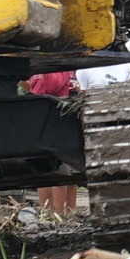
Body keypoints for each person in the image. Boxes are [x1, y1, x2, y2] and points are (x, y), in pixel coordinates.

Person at [24, 67, 80, 217]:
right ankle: (53, 213)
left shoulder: (56, 67)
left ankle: (63, 213)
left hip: (57, 116)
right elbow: (47, 85)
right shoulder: (49, 67)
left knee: (62, 170)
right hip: (50, 117)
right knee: (53, 169)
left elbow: (49, 85)